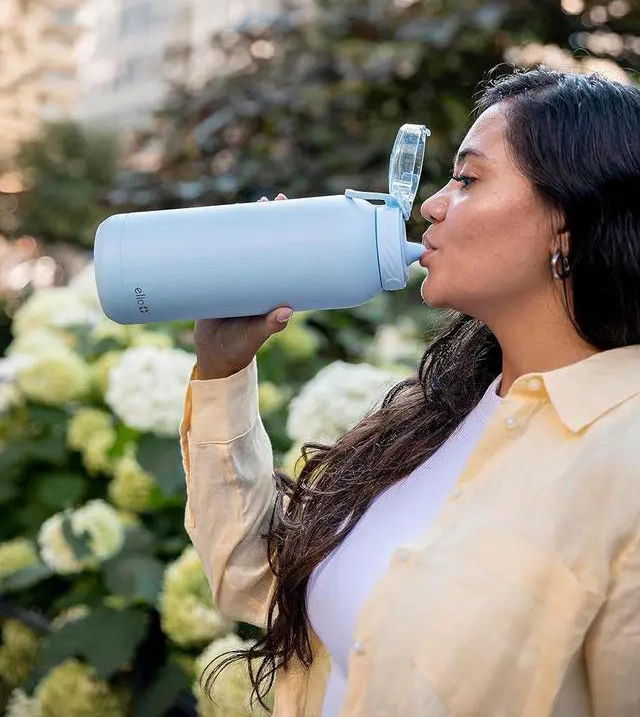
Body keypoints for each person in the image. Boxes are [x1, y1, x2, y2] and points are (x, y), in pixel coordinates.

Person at [179, 66, 640, 717]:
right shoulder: (438, 418)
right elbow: (253, 580)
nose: (432, 204)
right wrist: (223, 368)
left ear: (566, 224)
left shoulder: (625, 459)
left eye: (469, 179)